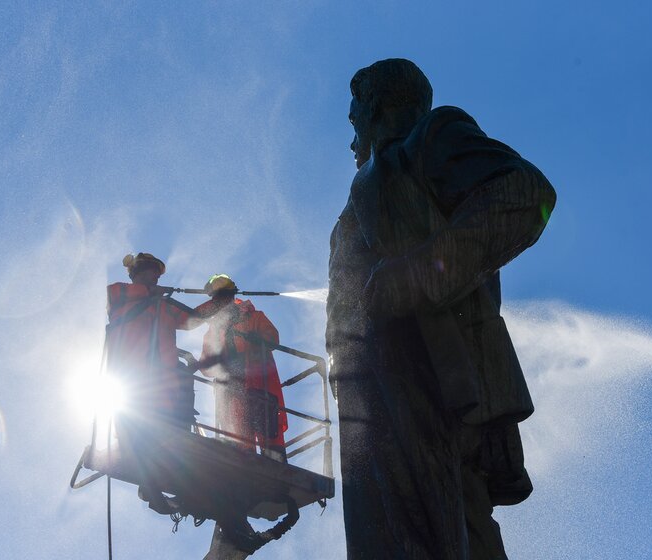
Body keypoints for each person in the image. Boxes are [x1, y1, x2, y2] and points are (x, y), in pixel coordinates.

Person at [326, 59, 556, 559]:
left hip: (437, 382)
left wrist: (418, 275)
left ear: (376, 108)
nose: (351, 138)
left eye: (354, 118)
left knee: (449, 533)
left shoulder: (430, 139)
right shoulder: (356, 203)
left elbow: (525, 193)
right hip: (370, 404)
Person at [105, 252, 204, 513]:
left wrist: (220, 302)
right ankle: (150, 487)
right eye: (153, 274)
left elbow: (193, 319)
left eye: (158, 277)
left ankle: (171, 488)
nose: (157, 279)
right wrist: (149, 291)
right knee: (139, 429)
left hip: (164, 381)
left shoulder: (163, 306)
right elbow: (117, 296)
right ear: (139, 273)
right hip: (133, 376)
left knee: (173, 431)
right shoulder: (121, 294)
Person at [195, 274, 288, 462]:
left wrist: (258, 340)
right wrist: (214, 361)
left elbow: (272, 338)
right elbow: (206, 367)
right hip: (232, 389)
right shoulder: (214, 331)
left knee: (269, 433)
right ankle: (246, 462)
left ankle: (276, 464)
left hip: (260, 386)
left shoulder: (254, 317)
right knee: (239, 438)